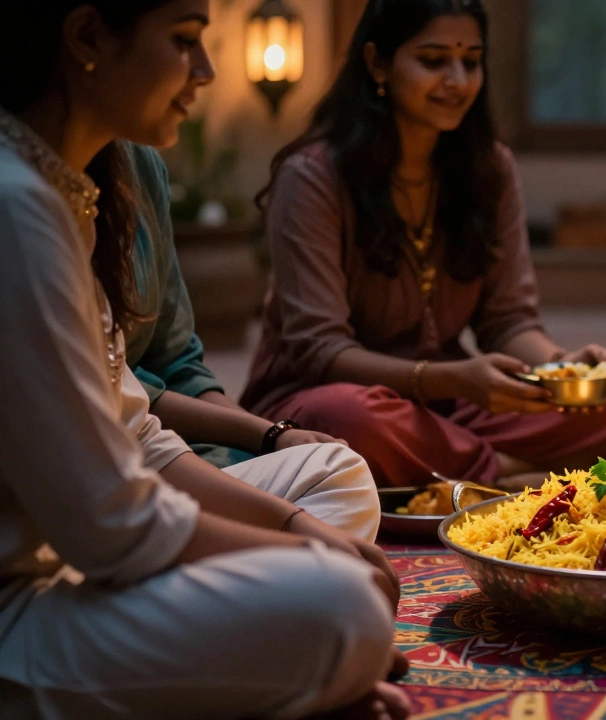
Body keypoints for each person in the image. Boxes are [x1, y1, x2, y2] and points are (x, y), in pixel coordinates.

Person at [0, 2, 408, 717]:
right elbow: (112, 528)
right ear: (89, 37)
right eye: (186, 41)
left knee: (336, 482)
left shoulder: (61, 197)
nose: (207, 72)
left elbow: (140, 438)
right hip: (21, 615)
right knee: (341, 608)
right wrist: (305, 562)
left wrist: (296, 529)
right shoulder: (17, 207)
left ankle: (266, 667)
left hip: (85, 558)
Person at [241, 0, 606, 489]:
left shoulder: (488, 167)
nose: (457, 80)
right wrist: (452, 379)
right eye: (434, 61)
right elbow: (320, 351)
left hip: (450, 409)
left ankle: (451, 468)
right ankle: (503, 471)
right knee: (347, 418)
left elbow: (508, 321)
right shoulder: (311, 177)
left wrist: (561, 369)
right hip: (330, 398)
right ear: (378, 63)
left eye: (470, 61)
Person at [120, 142, 382, 540]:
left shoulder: (141, 163)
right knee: (345, 414)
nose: (203, 76)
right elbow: (321, 347)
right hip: (96, 494)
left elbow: (178, 365)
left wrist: (272, 437)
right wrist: (271, 436)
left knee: (341, 473)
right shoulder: (30, 202)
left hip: (168, 455)